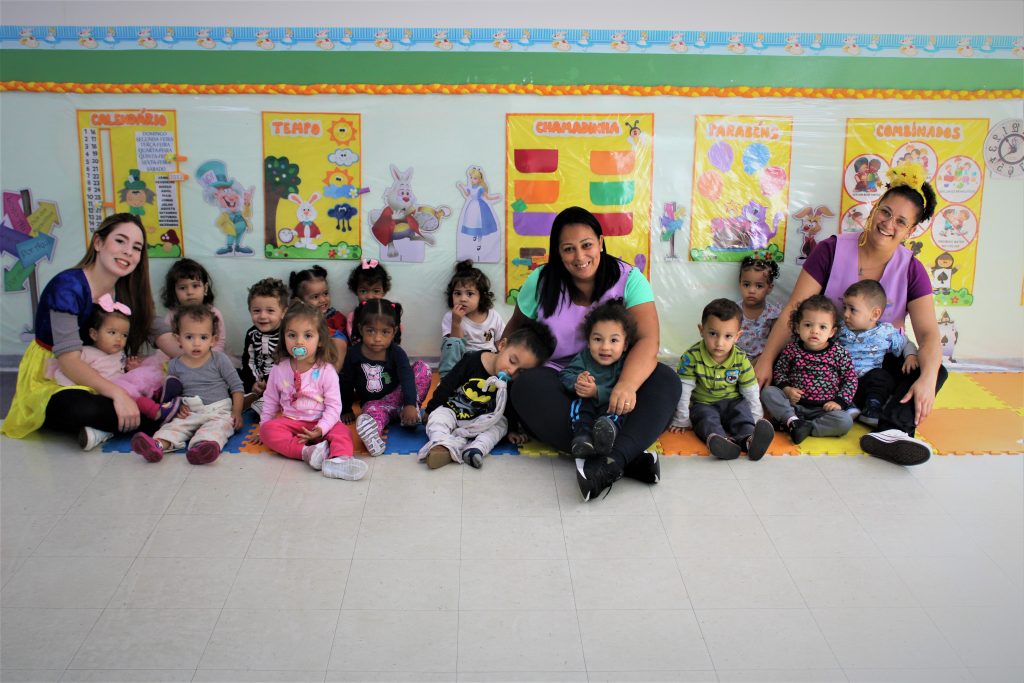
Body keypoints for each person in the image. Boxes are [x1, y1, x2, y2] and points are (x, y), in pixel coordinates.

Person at [754, 162, 945, 465]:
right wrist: (766, 360)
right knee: (779, 372)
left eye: (900, 221)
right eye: (885, 212)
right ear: (874, 208)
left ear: (911, 230)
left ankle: (891, 432)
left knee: (933, 368)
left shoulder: (912, 269)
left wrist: (929, 378)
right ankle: (804, 416)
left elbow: (928, 333)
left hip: (877, 370)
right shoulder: (830, 250)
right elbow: (794, 309)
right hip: (825, 361)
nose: (888, 224)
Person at [503, 206, 681, 501]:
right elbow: (514, 330)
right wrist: (496, 366)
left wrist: (626, 385)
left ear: (600, 242)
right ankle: (627, 456)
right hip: (562, 381)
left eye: (586, 245)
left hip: (617, 379)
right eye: (568, 249)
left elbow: (648, 340)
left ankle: (610, 460)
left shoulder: (629, 279)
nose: (579, 256)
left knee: (666, 380)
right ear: (558, 252)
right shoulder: (541, 281)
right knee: (524, 387)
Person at [1, 213, 179, 449]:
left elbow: (158, 332)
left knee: (173, 376)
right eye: (120, 241)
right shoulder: (67, 287)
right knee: (81, 408)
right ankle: (162, 417)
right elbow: (69, 362)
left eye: (136, 247)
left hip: (109, 369)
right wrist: (118, 394)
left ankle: (113, 426)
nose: (128, 251)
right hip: (59, 374)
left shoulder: (127, 290)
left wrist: (200, 359)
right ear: (98, 243)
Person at [420, 320, 554, 469]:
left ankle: (476, 449)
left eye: (521, 371)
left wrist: (512, 430)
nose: (512, 371)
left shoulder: (511, 381)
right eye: (512, 361)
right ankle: (441, 445)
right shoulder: (472, 360)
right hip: (454, 411)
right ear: (502, 345)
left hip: (483, 421)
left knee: (501, 424)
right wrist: (430, 409)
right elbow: (448, 384)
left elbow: (509, 407)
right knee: (438, 417)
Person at [130, 304, 244, 465]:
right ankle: (157, 445)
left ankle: (203, 448)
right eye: (189, 337)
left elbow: (237, 387)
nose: (196, 343)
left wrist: (236, 412)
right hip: (190, 410)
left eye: (203, 337)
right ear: (178, 339)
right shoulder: (174, 365)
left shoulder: (220, 360)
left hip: (218, 410)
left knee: (219, 427)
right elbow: (172, 391)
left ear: (213, 340)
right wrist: (178, 405)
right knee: (173, 427)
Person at [258, 302, 358, 476]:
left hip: (321, 422)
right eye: (292, 335)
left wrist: (321, 429)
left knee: (343, 432)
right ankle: (307, 452)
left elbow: (334, 406)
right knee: (267, 431)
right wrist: (263, 426)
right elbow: (270, 399)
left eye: (308, 335)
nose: (299, 341)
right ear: (283, 337)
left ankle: (340, 460)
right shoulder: (279, 369)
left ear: (320, 341)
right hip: (291, 422)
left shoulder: (326, 371)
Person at [47, 295, 181, 425]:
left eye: (124, 335)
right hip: (105, 389)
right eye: (112, 333)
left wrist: (130, 367)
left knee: (146, 379)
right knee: (134, 397)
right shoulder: (86, 352)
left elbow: (119, 369)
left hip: (121, 382)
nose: (119, 339)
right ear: (94, 334)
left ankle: (162, 395)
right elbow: (70, 371)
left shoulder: (119, 353)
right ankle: (156, 412)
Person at [670, 299, 775, 460]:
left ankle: (749, 440)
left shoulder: (740, 358)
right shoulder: (691, 357)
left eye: (727, 336)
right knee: (705, 419)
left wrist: (756, 419)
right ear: (701, 330)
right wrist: (682, 419)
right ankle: (722, 443)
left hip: (733, 402)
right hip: (704, 403)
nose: (719, 343)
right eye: (713, 334)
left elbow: (751, 391)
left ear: (737, 336)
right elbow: (684, 389)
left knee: (742, 415)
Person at [760, 295, 857, 444]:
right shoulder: (792, 349)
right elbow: (780, 371)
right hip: (794, 406)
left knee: (845, 421)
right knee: (768, 392)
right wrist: (787, 389)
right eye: (808, 325)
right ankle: (792, 420)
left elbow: (850, 379)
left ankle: (802, 427)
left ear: (832, 331)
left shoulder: (839, 353)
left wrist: (839, 402)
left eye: (822, 327)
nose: (814, 331)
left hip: (823, 410)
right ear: (797, 327)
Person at [340, 299, 431, 456]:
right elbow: (346, 382)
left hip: (401, 398)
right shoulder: (353, 354)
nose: (377, 338)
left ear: (394, 332)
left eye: (385, 332)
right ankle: (373, 437)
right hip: (376, 404)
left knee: (423, 368)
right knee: (369, 416)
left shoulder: (397, 353)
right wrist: (346, 408)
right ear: (361, 329)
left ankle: (409, 415)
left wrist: (410, 403)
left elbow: (407, 378)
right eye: (370, 331)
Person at [558, 299, 634, 459]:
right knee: (579, 405)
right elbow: (565, 375)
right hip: (587, 404)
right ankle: (582, 437)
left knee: (618, 409)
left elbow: (625, 390)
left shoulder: (625, 363)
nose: (605, 347)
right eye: (598, 339)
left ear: (625, 345)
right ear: (588, 342)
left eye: (614, 340)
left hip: (610, 406)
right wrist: (577, 381)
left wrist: (597, 392)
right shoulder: (584, 357)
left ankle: (606, 435)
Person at [838, 279, 919, 426]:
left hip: (868, 381)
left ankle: (872, 407)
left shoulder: (885, 332)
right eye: (844, 308)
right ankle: (847, 405)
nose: (845, 314)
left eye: (852, 309)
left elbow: (906, 343)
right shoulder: (840, 329)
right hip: (844, 379)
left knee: (882, 377)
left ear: (875, 314)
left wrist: (911, 356)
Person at [439, 260, 505, 377]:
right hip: (463, 364)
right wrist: (456, 323)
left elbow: (501, 344)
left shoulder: (493, 316)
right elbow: (453, 349)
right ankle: (448, 381)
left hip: (488, 362)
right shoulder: (450, 316)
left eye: (469, 294)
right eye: (457, 293)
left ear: (481, 296)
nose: (463, 299)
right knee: (450, 343)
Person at [239, 277, 289, 418]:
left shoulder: (288, 334)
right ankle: (254, 396)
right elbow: (248, 360)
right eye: (256, 311)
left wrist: (272, 382)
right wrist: (254, 382)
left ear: (283, 312)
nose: (262, 316)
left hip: (281, 381)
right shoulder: (251, 333)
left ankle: (269, 403)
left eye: (270, 311)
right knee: (234, 377)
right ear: (250, 310)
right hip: (257, 379)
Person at [161, 258, 227, 353]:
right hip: (179, 357)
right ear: (174, 292)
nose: (190, 292)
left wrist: (209, 358)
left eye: (195, 286)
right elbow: (166, 343)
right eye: (182, 288)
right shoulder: (172, 315)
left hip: (210, 357)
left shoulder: (214, 313)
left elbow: (220, 342)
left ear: (205, 288)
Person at [289, 265, 347, 370]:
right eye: (315, 297)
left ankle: (329, 376)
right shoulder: (295, 321)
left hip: (329, 363)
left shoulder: (336, 318)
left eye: (325, 293)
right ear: (299, 300)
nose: (323, 300)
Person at [736, 255, 781, 363]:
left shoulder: (773, 314)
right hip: (735, 360)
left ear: (769, 288)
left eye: (759, 286)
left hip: (760, 361)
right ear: (740, 284)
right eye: (746, 285)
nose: (751, 290)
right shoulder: (733, 310)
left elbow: (777, 342)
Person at [345, 258, 393, 343]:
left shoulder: (390, 314)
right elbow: (354, 339)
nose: (370, 297)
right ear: (356, 291)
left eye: (376, 291)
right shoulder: (353, 317)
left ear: (384, 291)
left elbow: (395, 335)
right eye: (363, 291)